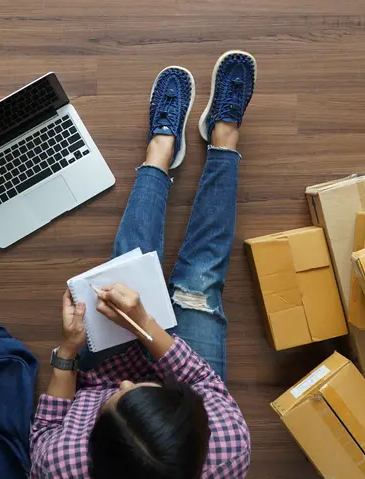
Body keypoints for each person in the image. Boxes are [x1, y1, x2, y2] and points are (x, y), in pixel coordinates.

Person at [31, 51, 256, 479]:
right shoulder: (226, 449)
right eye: (138, 388)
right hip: (187, 377)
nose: (127, 383)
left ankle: (160, 153)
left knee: (128, 269)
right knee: (200, 279)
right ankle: (223, 139)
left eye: (119, 400)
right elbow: (205, 385)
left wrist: (68, 351)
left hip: (93, 371)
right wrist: (144, 324)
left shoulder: (62, 467)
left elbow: (46, 429)